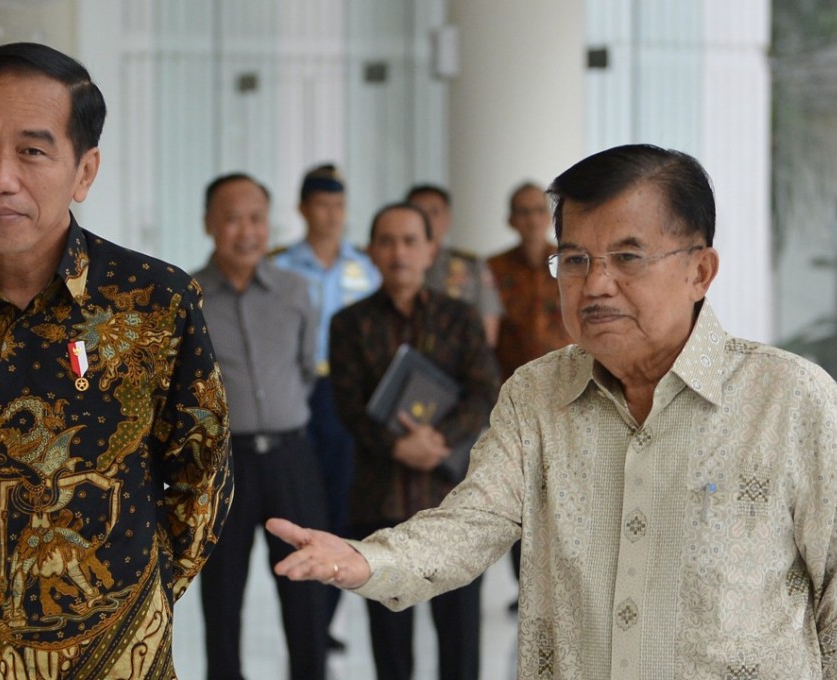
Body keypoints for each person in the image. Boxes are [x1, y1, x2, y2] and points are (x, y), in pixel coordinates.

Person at [268, 144, 837, 679]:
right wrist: (365, 561)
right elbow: (473, 523)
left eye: (627, 257)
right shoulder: (536, 395)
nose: (595, 285)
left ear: (700, 271)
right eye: (574, 259)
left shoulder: (788, 400)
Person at [0, 42, 233, 679]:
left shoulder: (155, 302)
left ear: (85, 171)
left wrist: (138, 601)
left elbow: (202, 477)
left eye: (32, 150)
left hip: (110, 660)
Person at [327, 202, 499, 679]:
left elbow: (485, 388)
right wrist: (398, 445)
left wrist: (439, 439)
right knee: (389, 644)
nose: (398, 252)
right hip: (379, 501)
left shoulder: (460, 318)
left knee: (460, 638)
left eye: (409, 241)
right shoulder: (349, 323)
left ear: (430, 251)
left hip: (453, 507)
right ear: (370, 252)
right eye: (387, 241)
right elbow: (347, 404)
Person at [195, 172, 329, 680]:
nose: (247, 231)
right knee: (222, 596)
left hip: (292, 459)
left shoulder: (297, 291)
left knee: (306, 593)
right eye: (232, 219)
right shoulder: (188, 295)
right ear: (209, 224)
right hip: (223, 463)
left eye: (256, 218)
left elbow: (304, 370)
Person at [272, 162, 380, 646]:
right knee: (303, 502)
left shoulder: (364, 267)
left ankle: (325, 619)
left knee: (339, 504)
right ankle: (307, 619)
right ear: (302, 208)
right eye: (322, 205)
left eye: (339, 205)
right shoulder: (280, 267)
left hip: (346, 398)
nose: (332, 215)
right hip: (297, 392)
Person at [485, 181, 573, 605]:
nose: (531, 220)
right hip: (512, 397)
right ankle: (527, 588)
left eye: (538, 211)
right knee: (519, 495)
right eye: (522, 212)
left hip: (568, 392)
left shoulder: (572, 261)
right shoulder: (493, 269)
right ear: (510, 219)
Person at [405, 184, 501, 348]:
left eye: (434, 212)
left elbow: (488, 332)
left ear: (447, 218)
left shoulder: (471, 265)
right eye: (418, 212)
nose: (427, 218)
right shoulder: (396, 263)